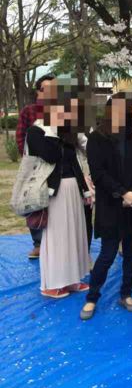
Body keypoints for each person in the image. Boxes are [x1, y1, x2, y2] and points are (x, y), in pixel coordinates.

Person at [80, 94, 132, 320]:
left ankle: (126, 293)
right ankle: (92, 296)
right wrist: (122, 193)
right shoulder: (97, 138)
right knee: (107, 254)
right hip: (111, 204)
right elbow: (98, 172)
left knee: (131, 253)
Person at [25, 82, 92, 298]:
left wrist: (85, 190)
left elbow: (76, 161)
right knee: (56, 237)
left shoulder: (69, 132)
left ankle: (72, 279)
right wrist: (54, 129)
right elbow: (51, 156)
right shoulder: (36, 131)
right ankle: (51, 283)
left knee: (75, 234)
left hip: (73, 189)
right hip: (53, 192)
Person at [15, 73, 56, 259]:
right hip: (35, 166)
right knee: (34, 202)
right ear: (38, 92)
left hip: (57, 165)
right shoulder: (29, 111)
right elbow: (21, 136)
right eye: (44, 89)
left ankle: (56, 242)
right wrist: (28, 159)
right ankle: (38, 243)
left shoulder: (63, 111)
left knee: (55, 204)